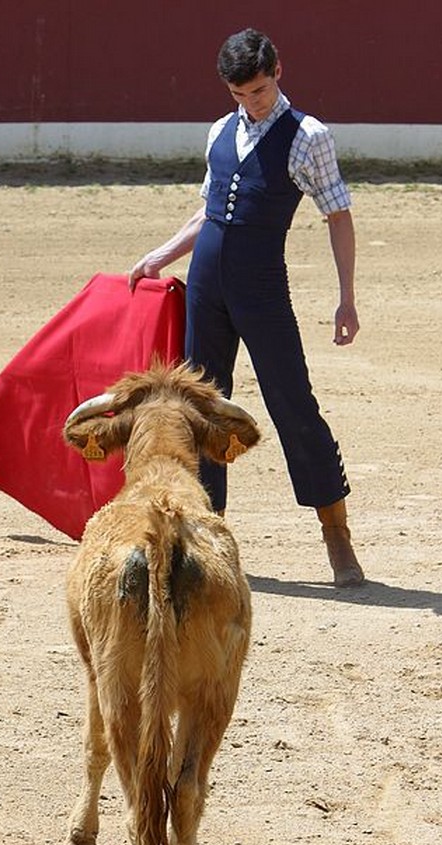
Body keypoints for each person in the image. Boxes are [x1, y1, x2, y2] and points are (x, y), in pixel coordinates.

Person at [129, 28, 364, 587]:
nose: (250, 103)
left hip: (261, 289)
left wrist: (346, 296)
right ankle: (205, 539)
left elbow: (338, 215)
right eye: (239, 95)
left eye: (258, 91)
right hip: (206, 285)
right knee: (200, 409)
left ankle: (336, 535)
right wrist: (160, 256)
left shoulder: (308, 136)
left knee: (291, 403)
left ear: (277, 70)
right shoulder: (220, 130)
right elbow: (206, 212)